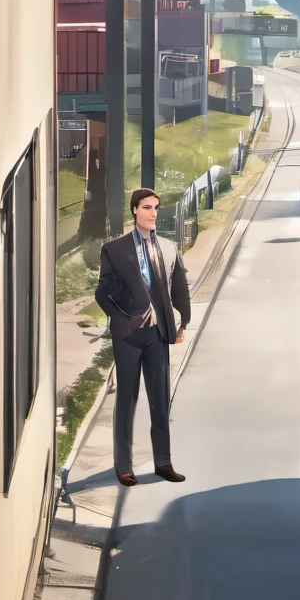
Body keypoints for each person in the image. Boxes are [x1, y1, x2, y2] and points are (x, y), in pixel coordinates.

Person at [95, 187, 190, 488]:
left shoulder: (168, 247)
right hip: (128, 335)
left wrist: (182, 322)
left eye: (156, 208)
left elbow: (179, 287)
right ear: (135, 210)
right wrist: (120, 318)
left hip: (158, 333)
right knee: (127, 399)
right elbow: (102, 292)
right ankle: (124, 466)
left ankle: (163, 462)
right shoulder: (115, 248)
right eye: (147, 207)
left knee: (160, 400)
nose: (153, 213)